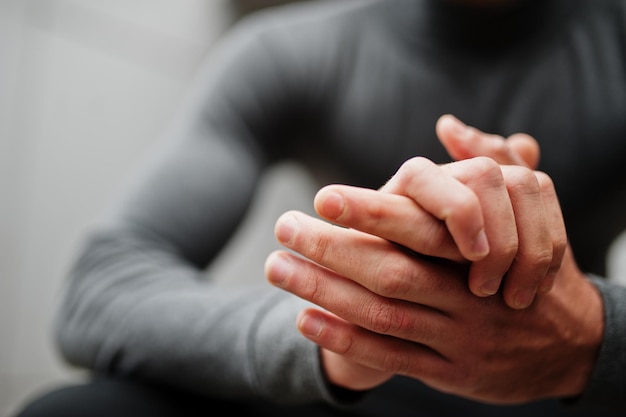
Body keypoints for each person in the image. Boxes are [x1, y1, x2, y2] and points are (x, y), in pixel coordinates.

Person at [13, 0, 626, 415]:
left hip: (562, 395)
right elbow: (101, 287)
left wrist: (588, 333)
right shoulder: (294, 53)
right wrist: (336, 336)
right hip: (357, 393)